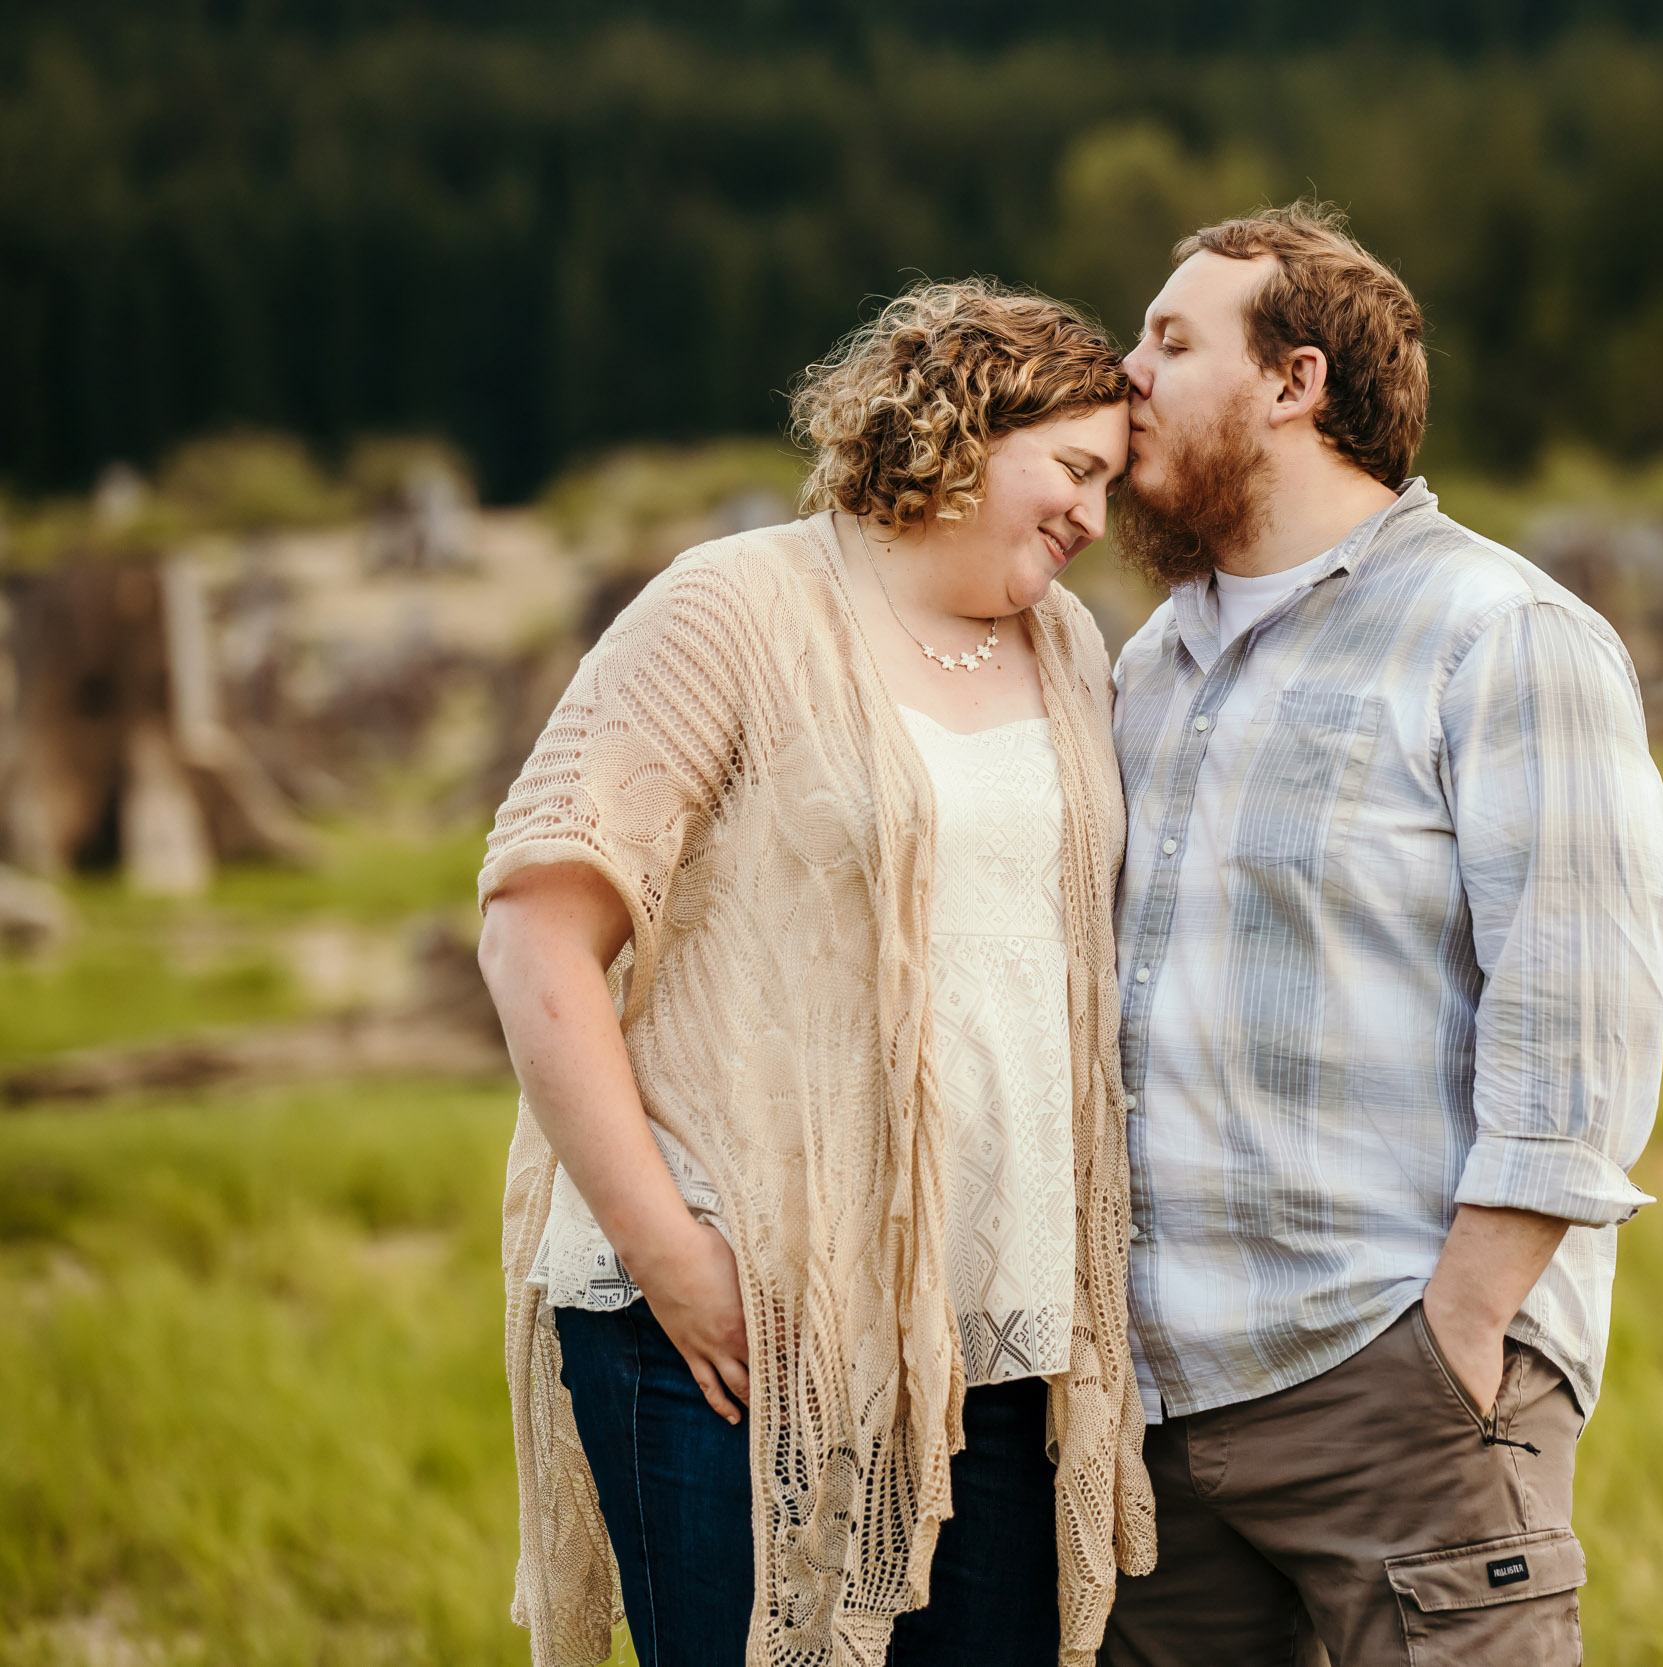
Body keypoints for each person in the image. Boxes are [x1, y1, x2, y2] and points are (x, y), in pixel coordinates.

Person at [475, 278, 1154, 1667]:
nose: (1095, 515)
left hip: (999, 1335)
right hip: (726, 1318)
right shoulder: (733, 608)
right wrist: (673, 1256)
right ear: (965, 425)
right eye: (1077, 469)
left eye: (1113, 483)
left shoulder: (1069, 647)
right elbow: (537, 932)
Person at [1100, 202, 1663, 1667]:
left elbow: (1579, 1017)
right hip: (1151, 1425)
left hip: (1396, 1384)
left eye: (1172, 341)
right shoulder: (1147, 663)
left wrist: (1458, 1336)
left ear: (1294, 384)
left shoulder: (1502, 634)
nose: (1126, 374)